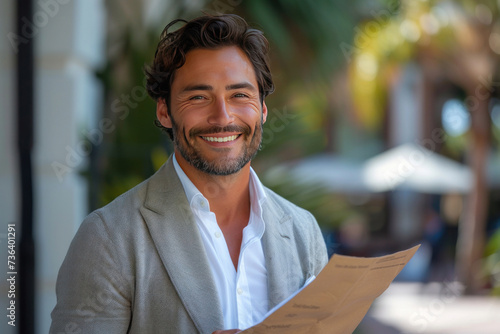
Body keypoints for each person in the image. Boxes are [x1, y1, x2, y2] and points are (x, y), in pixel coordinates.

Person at [50, 14, 328, 334]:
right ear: (165, 111)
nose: (222, 117)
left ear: (263, 108)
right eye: (198, 97)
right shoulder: (107, 237)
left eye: (240, 95)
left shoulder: (303, 229)